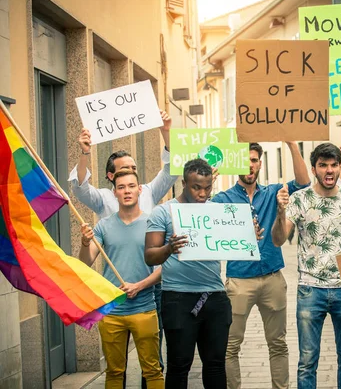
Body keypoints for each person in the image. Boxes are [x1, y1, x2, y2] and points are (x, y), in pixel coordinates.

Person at [69, 110, 177, 380]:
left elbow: (173, 168)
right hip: (116, 288)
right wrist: (84, 153)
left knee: (153, 362)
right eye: (123, 177)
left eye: (134, 176)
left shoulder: (150, 191)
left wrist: (165, 131)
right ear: (112, 181)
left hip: (152, 285)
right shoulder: (104, 202)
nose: (130, 184)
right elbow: (80, 188)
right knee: (115, 369)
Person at [211, 142, 310, 389]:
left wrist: (291, 144)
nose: (249, 165)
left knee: (278, 343)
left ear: (260, 164)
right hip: (239, 280)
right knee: (230, 346)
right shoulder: (222, 199)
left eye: (254, 160)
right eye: (245, 160)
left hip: (272, 279)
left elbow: (304, 182)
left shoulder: (274, 192)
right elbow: (204, 223)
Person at [271, 143, 341, 389]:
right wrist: (281, 212)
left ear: (340, 166)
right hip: (310, 290)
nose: (329, 170)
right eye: (323, 165)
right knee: (307, 360)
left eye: (334, 164)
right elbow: (279, 239)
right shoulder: (299, 199)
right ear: (314, 169)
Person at [145, 158, 232, 389]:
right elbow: (149, 255)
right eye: (196, 187)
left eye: (207, 188)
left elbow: (235, 241)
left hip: (214, 297)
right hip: (178, 298)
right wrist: (168, 248)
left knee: (215, 364)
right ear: (184, 183)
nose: (202, 193)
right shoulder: (163, 213)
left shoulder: (217, 212)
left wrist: (248, 234)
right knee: (179, 365)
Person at [79, 169, 163, 388]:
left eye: (131, 186)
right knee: (114, 372)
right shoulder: (103, 226)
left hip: (145, 308)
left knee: (153, 371)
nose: (127, 191)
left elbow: (164, 269)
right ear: (114, 192)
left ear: (139, 190)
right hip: (112, 311)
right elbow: (85, 262)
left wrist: (139, 285)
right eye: (122, 187)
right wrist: (85, 243)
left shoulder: (152, 223)